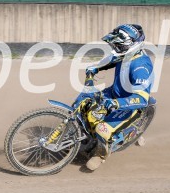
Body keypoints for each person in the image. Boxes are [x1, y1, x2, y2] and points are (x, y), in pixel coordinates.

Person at [62, 24, 154, 171]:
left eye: (118, 45)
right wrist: (94, 68)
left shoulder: (141, 67)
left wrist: (116, 103)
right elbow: (108, 61)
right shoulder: (124, 54)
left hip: (129, 105)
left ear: (131, 45)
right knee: (82, 102)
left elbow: (142, 99)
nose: (115, 48)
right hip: (113, 93)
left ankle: (101, 154)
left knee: (101, 129)